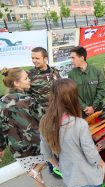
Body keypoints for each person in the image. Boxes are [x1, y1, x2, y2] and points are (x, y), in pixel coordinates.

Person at [0, 68, 62, 187]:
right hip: (35, 143)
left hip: (16, 147)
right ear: (16, 83)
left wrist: (0, 147)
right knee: (46, 159)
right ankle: (37, 172)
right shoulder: (28, 99)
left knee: (31, 167)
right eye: (26, 78)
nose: (30, 80)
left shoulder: (1, 102)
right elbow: (44, 120)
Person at [40, 79, 105, 187]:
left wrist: (59, 166)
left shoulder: (45, 121)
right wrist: (101, 163)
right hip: (88, 175)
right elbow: (91, 154)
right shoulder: (79, 124)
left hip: (69, 174)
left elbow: (46, 153)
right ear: (72, 98)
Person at [28, 47, 61, 178]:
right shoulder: (30, 76)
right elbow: (27, 99)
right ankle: (54, 168)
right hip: (43, 117)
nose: (34, 60)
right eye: (32, 58)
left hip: (58, 113)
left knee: (59, 140)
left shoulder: (55, 71)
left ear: (45, 59)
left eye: (37, 58)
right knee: (49, 142)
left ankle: (62, 164)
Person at [68, 46, 105, 117]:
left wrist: (93, 107)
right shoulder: (71, 74)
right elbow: (72, 94)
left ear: (82, 58)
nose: (71, 60)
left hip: (97, 110)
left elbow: (102, 90)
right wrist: (84, 107)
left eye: (73, 58)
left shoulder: (97, 71)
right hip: (81, 112)